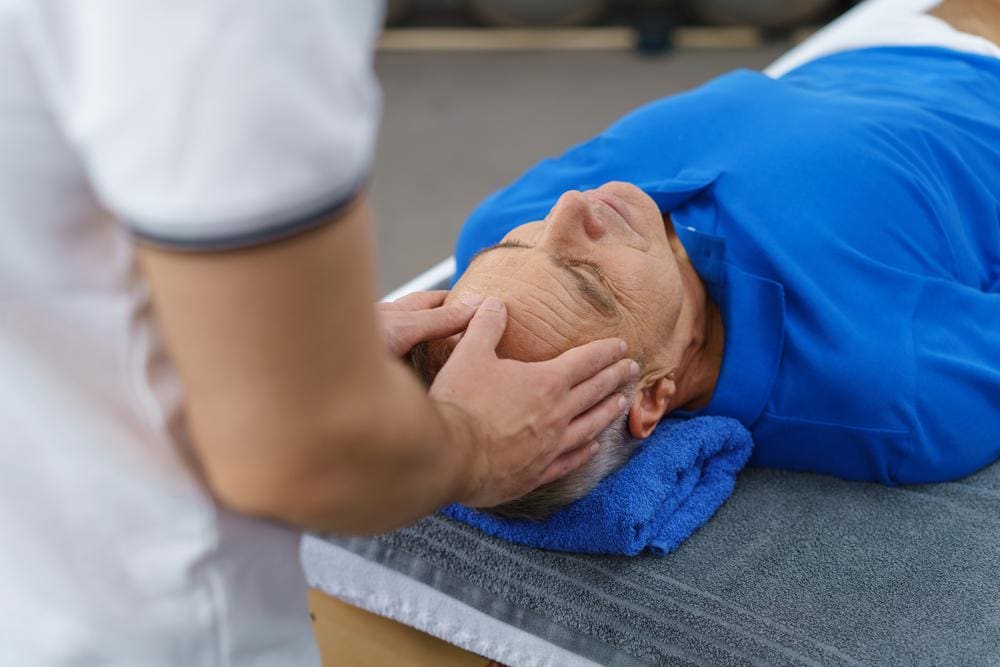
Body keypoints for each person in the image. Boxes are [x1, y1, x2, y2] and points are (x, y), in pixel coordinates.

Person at [0, 1, 638, 664]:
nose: (568, 206)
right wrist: (477, 445)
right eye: (520, 249)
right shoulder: (237, 21)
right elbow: (299, 453)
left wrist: (289, 337)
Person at [414, 0, 1000, 520]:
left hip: (876, 40)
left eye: (519, 245)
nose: (569, 210)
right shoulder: (893, 393)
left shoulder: (498, 227)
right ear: (651, 395)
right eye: (589, 281)